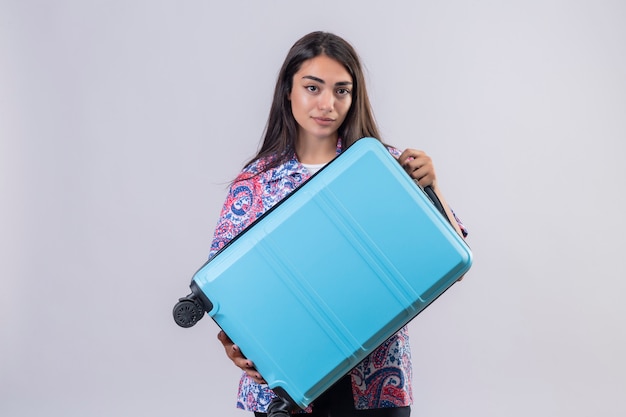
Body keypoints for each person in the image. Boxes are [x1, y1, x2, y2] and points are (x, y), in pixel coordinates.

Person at [209, 31, 467, 417]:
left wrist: (434, 188)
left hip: (374, 382)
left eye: (342, 91)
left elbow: (451, 263)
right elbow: (224, 288)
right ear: (288, 90)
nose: (327, 104)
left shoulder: (388, 166)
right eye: (313, 87)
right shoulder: (255, 183)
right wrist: (232, 344)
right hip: (284, 383)